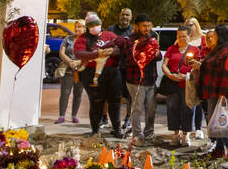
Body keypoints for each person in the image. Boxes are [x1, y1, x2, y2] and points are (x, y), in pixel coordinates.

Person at [73, 13, 124, 138]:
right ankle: (95, 130)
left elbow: (121, 48)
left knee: (115, 101)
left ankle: (117, 129)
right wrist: (97, 54)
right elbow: (78, 53)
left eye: (97, 24)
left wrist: (113, 51)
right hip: (91, 73)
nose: (95, 27)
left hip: (112, 72)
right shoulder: (83, 39)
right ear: (88, 27)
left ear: (101, 24)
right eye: (92, 25)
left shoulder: (110, 35)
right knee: (96, 101)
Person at [117, 14, 160, 143]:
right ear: (137, 26)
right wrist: (148, 54)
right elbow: (131, 58)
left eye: (149, 25)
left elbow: (158, 56)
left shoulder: (153, 38)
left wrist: (154, 54)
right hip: (136, 81)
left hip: (151, 79)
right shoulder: (131, 41)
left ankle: (149, 133)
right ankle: (137, 134)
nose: (147, 28)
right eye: (144, 26)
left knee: (151, 108)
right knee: (137, 108)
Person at [199, 24, 228, 160]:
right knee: (214, 121)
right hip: (211, 89)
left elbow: (227, 73)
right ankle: (220, 149)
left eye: (214, 35)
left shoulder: (226, 51)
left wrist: (224, 93)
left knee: (219, 121)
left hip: (218, 91)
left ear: (220, 36)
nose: (212, 38)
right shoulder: (216, 50)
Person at [160, 27, 194, 141]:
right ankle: (175, 134)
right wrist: (170, 75)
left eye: (184, 36)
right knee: (172, 107)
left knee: (187, 109)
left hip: (187, 84)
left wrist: (187, 76)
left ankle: (185, 134)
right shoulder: (172, 49)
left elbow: (198, 67)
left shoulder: (195, 50)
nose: (181, 39)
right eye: (179, 36)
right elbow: (164, 64)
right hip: (173, 83)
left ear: (189, 36)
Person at [55, 20, 86, 124]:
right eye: (76, 26)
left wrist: (78, 62)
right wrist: (70, 62)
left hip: (80, 71)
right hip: (67, 70)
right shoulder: (68, 39)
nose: (77, 29)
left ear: (84, 28)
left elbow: (90, 55)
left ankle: (74, 116)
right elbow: (61, 53)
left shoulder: (87, 41)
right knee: (65, 93)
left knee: (78, 93)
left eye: (80, 27)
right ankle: (61, 116)